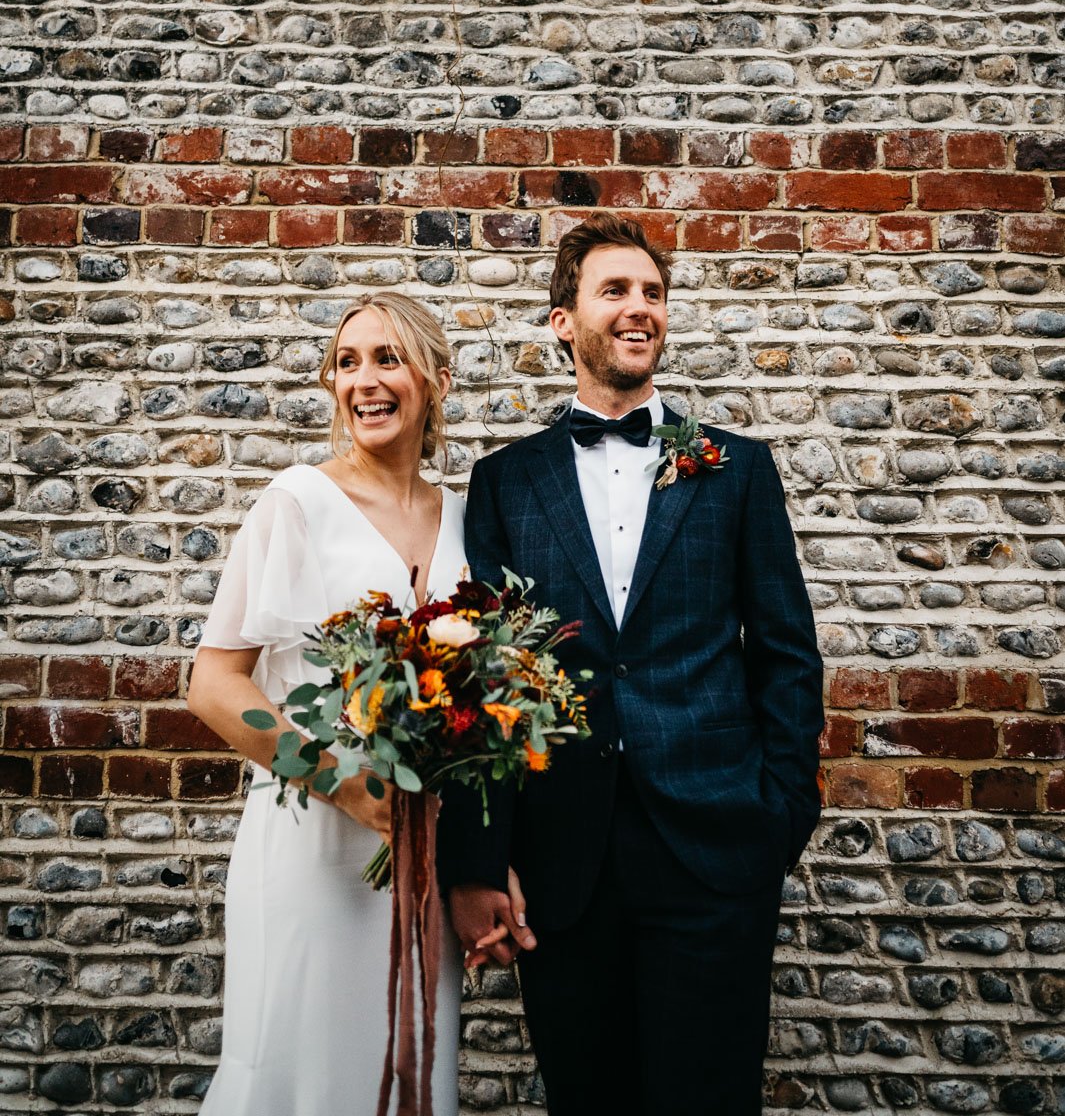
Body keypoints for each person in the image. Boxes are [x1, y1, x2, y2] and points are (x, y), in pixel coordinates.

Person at [437, 212, 824, 1116]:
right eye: (614, 291)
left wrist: (779, 816)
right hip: (565, 861)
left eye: (652, 293)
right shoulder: (504, 482)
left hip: (716, 850)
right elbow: (483, 684)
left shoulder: (736, 470)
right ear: (562, 322)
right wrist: (479, 863)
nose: (638, 308)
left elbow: (785, 654)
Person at [188, 292, 463, 1116]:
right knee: (295, 1072)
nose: (363, 380)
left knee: (411, 1065)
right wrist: (343, 782)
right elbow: (213, 682)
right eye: (346, 363)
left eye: (387, 358)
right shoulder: (296, 502)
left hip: (422, 858)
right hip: (310, 847)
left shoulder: (468, 513)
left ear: (436, 381)